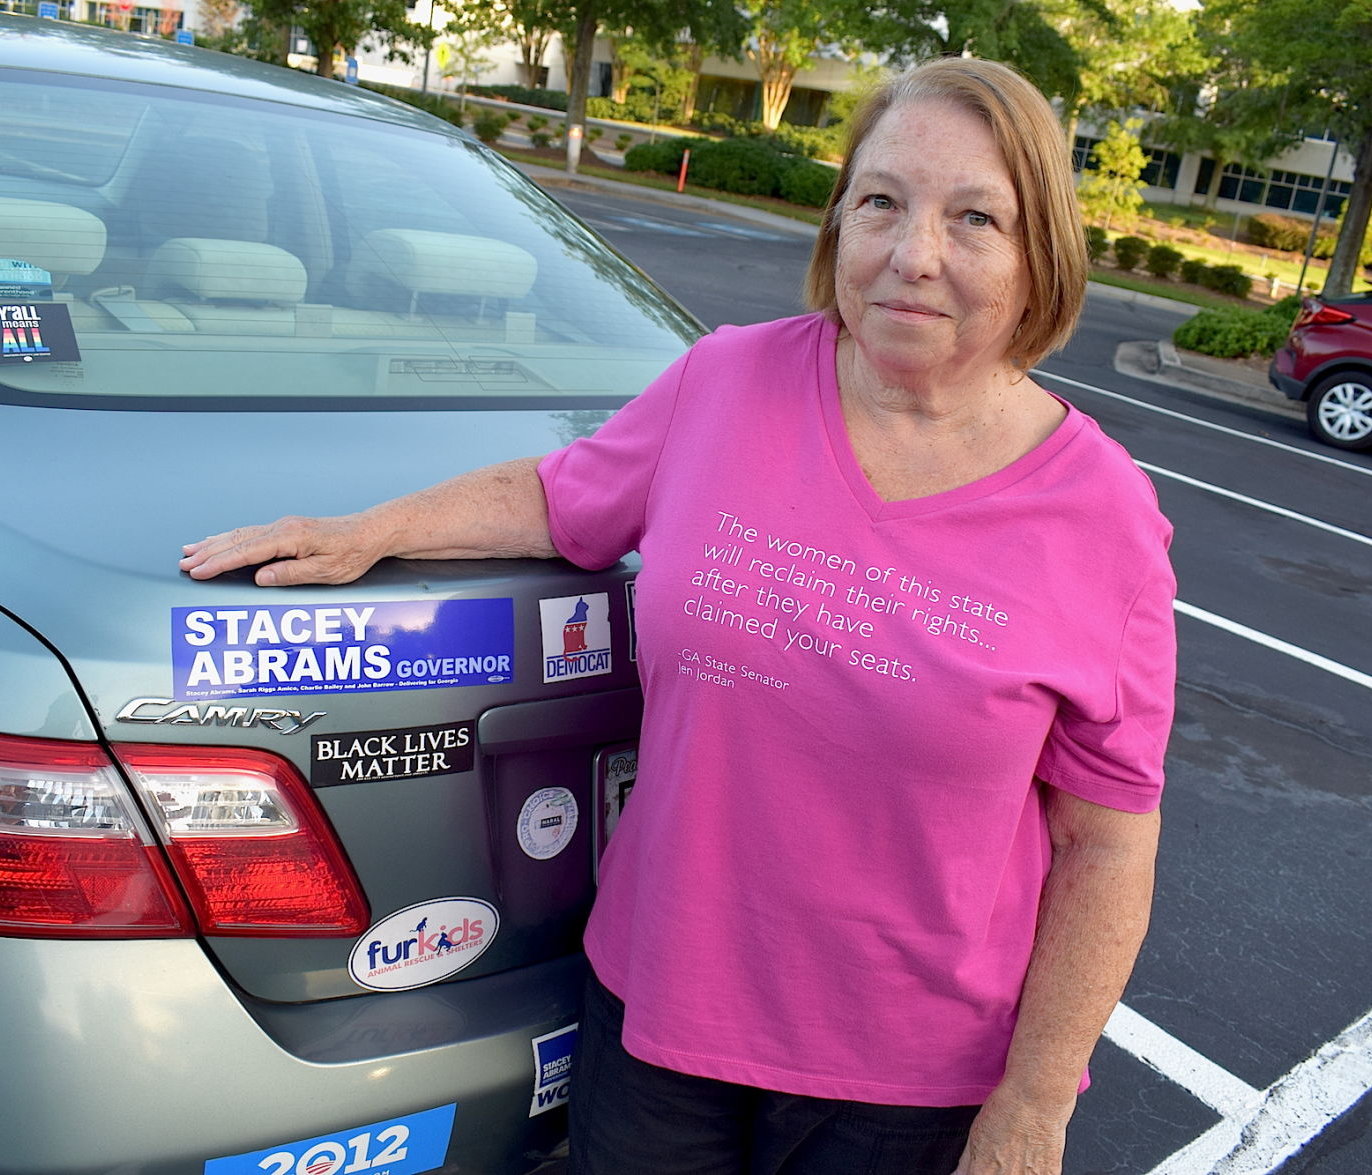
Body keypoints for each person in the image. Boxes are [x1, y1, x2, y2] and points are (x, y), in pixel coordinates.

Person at [181, 56, 1175, 1175]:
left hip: (910, 1090)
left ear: (1038, 250)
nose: (913, 255)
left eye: (973, 217)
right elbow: (562, 494)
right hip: (659, 1024)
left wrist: (1033, 1105)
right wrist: (367, 527)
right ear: (839, 218)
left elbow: (1103, 845)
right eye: (881, 202)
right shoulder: (727, 381)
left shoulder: (1100, 517)